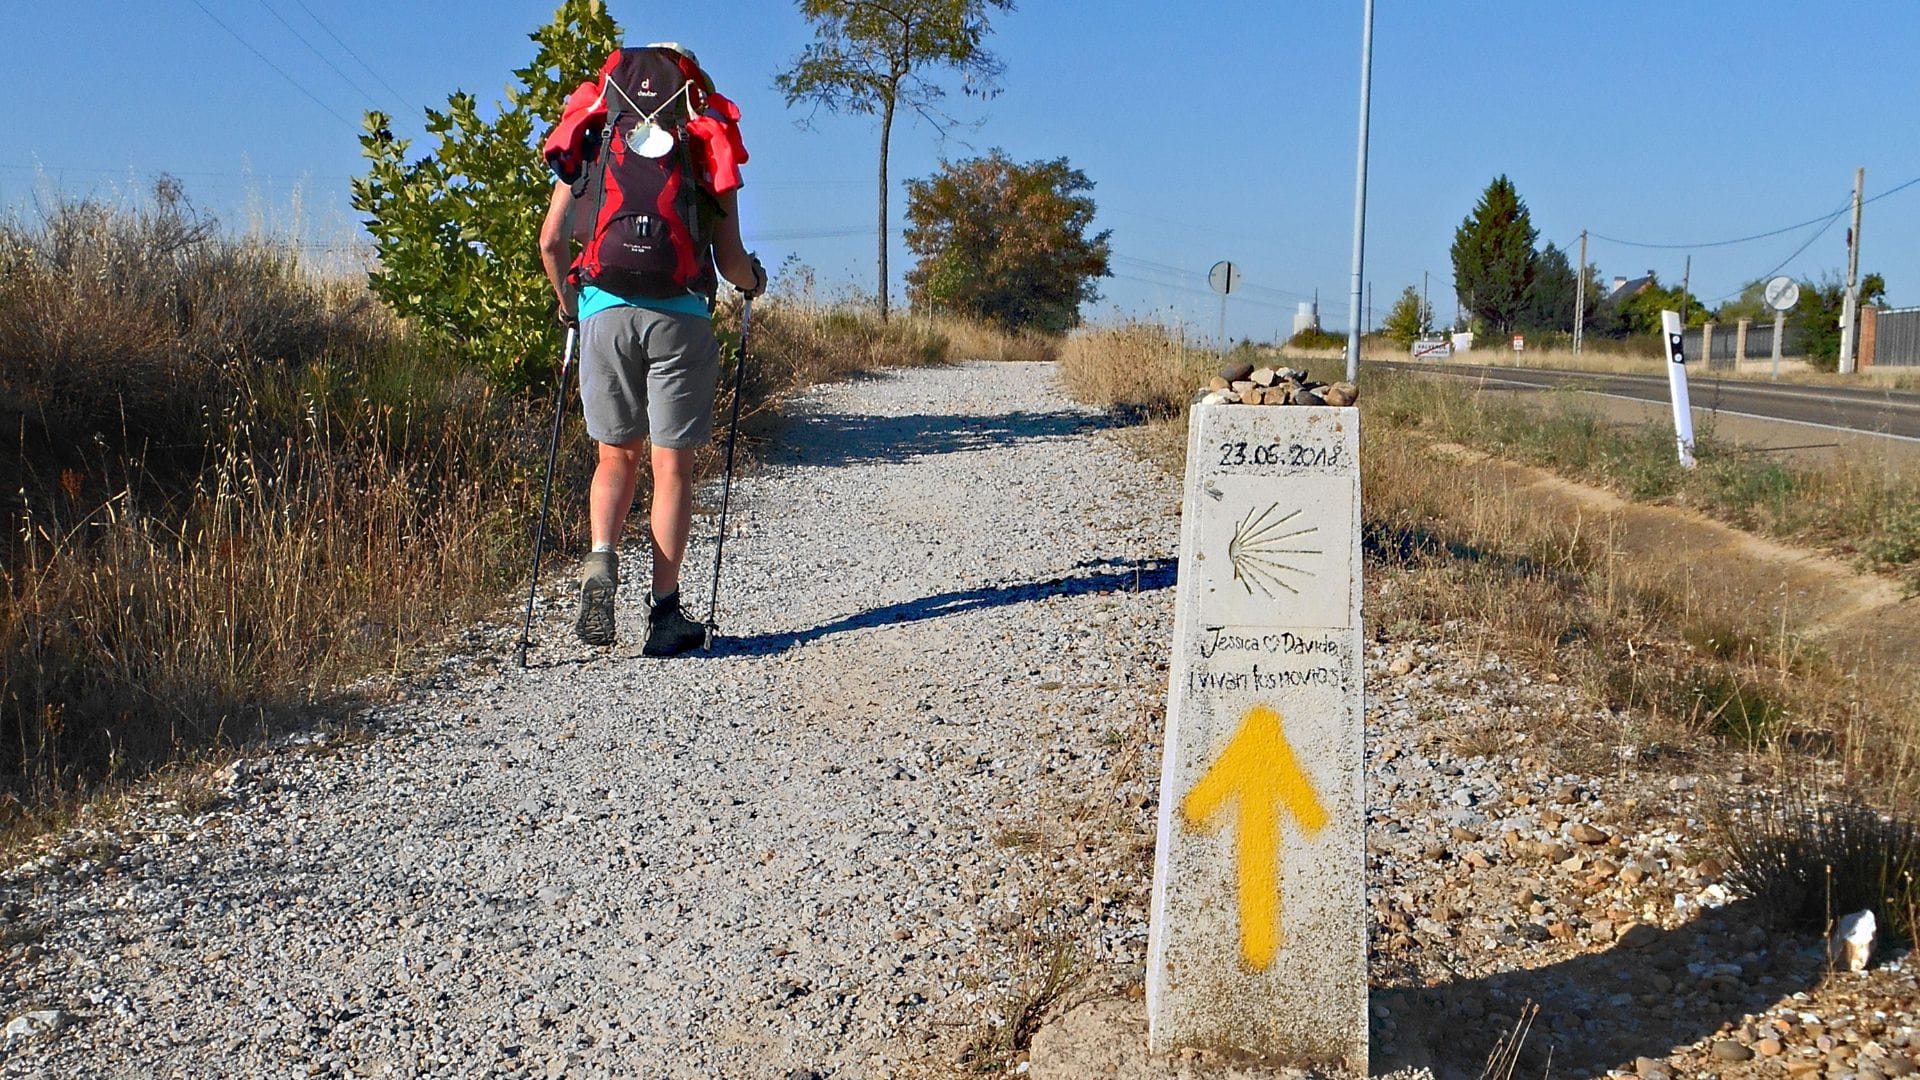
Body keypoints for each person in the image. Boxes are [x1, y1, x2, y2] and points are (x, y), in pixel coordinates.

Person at [537, 42, 765, 657]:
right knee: (673, 468)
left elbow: (552, 243)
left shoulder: (594, 137)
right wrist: (754, 283)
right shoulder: (702, 137)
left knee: (615, 458)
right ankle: (665, 617)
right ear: (691, 82)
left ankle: (601, 563)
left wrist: (571, 306)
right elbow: (730, 258)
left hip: (604, 312)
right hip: (681, 316)